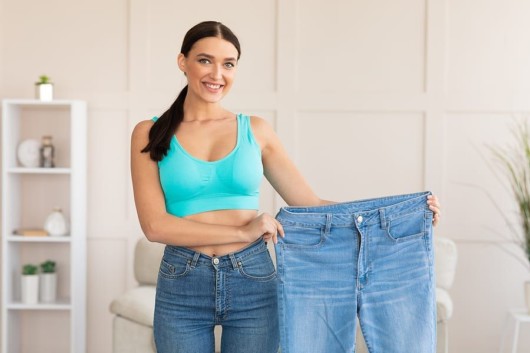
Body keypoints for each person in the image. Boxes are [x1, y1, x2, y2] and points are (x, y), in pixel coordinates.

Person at [130, 20, 441, 353]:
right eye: (205, 60)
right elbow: (154, 226)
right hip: (182, 280)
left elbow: (312, 205)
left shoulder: (256, 131)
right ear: (183, 62)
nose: (217, 74)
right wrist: (243, 231)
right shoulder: (149, 133)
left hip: (252, 279)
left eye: (228, 64)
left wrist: (400, 216)